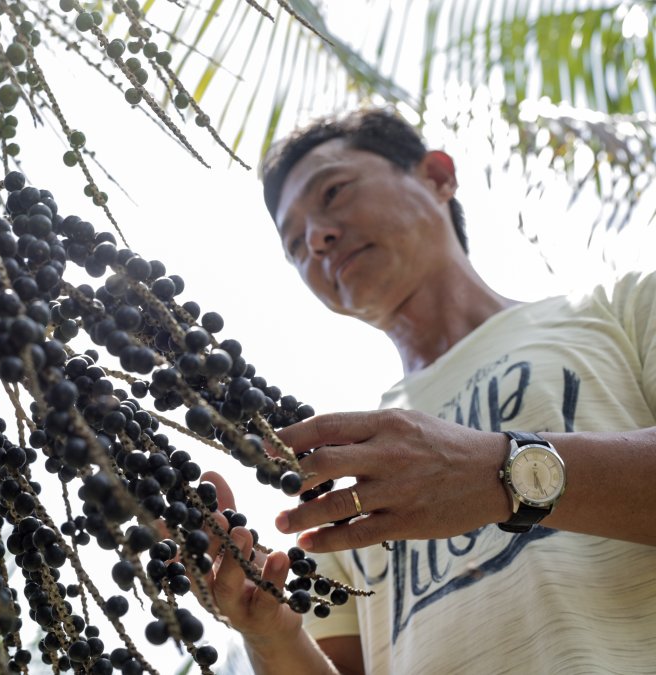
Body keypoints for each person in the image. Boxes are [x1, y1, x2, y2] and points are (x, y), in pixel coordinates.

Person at [198, 108, 656, 674]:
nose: (317, 238)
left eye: (334, 192)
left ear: (437, 176)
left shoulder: (624, 310)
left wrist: (502, 473)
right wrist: (268, 635)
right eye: (295, 246)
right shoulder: (346, 470)